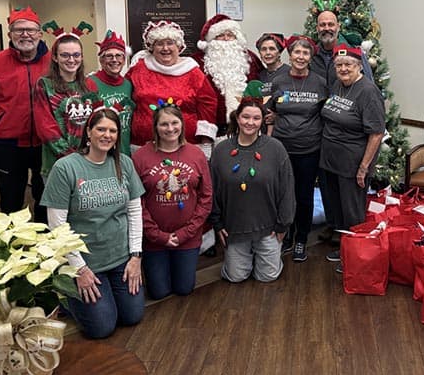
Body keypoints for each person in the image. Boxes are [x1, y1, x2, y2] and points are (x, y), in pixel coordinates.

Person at [41, 107, 145, 339]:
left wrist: (136, 256)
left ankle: (103, 295)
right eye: (100, 129)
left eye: (113, 130)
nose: (107, 135)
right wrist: (79, 269)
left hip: (120, 258)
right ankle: (65, 293)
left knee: (132, 315)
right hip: (85, 261)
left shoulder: (124, 164)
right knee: (101, 328)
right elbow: (57, 227)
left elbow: (135, 211)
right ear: (88, 131)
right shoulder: (65, 168)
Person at [209, 82, 295, 283]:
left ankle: (267, 255)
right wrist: (217, 222)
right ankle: (241, 260)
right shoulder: (221, 151)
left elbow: (287, 190)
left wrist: (283, 224)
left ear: (262, 121)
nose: (250, 122)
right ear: (237, 118)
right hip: (235, 227)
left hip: (268, 227)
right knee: (235, 277)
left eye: (256, 118)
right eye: (246, 117)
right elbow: (212, 190)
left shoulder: (275, 149)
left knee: (267, 276)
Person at [132, 101, 213, 299]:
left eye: (174, 123)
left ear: (182, 125)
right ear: (155, 127)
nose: (170, 129)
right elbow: (136, 201)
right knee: (159, 292)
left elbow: (206, 196)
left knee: (184, 289)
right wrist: (156, 235)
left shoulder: (196, 154)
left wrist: (188, 232)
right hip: (154, 240)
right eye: (164, 124)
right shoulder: (141, 157)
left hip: (187, 237)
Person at [0, 6, 51, 222]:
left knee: (45, 195)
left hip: (45, 143)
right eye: (19, 30)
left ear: (40, 33)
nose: (25, 35)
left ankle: (45, 242)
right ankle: (14, 242)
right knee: (10, 197)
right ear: (10, 35)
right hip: (8, 144)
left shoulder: (52, 63)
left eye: (30, 30)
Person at [320, 45, 386, 268]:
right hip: (330, 160)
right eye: (339, 65)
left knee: (352, 212)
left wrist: (364, 167)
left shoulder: (368, 91)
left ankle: (357, 258)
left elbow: (376, 133)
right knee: (337, 208)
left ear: (359, 66)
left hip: (352, 163)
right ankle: (344, 250)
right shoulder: (337, 85)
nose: (343, 68)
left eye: (348, 64)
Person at [267, 35, 328, 262]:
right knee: (284, 194)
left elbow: (326, 114)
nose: (300, 57)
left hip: (309, 149)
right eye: (297, 53)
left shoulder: (320, 83)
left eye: (305, 53)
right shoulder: (279, 81)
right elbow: (271, 112)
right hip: (282, 149)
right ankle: (287, 234)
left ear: (310, 57)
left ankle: (302, 238)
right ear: (289, 55)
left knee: (304, 196)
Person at [127, 20, 218, 158]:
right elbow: (123, 94)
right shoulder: (138, 69)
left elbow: (208, 106)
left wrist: (205, 144)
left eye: (170, 43)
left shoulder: (193, 72)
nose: (165, 48)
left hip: (185, 148)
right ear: (152, 47)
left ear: (179, 46)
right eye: (159, 43)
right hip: (143, 148)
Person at [34, 25, 99, 178]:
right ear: (55, 57)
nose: (71, 60)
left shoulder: (90, 85)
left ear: (82, 57)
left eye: (76, 55)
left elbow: (97, 120)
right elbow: (46, 128)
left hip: (89, 158)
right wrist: (72, 158)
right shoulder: (44, 85)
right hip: (57, 163)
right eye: (65, 55)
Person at [192, 14, 262, 136]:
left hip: (247, 126)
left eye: (230, 35)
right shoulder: (197, 61)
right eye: (220, 35)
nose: (225, 39)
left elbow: (261, 87)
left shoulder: (250, 58)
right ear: (212, 39)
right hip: (211, 127)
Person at [89, 30, 135, 155]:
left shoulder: (128, 85)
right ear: (101, 60)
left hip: (124, 153)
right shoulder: (90, 83)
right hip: (99, 154)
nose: (114, 60)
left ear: (124, 60)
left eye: (119, 55)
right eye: (109, 56)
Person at [309, 10, 373, 86]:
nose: (326, 28)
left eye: (331, 24)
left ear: (338, 27)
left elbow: (369, 85)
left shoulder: (354, 53)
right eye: (322, 25)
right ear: (317, 28)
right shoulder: (311, 54)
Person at [255, 32, 288, 97]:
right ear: (260, 53)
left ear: (279, 52)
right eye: (264, 49)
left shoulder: (289, 72)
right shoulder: (260, 76)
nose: (268, 52)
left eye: (272, 49)